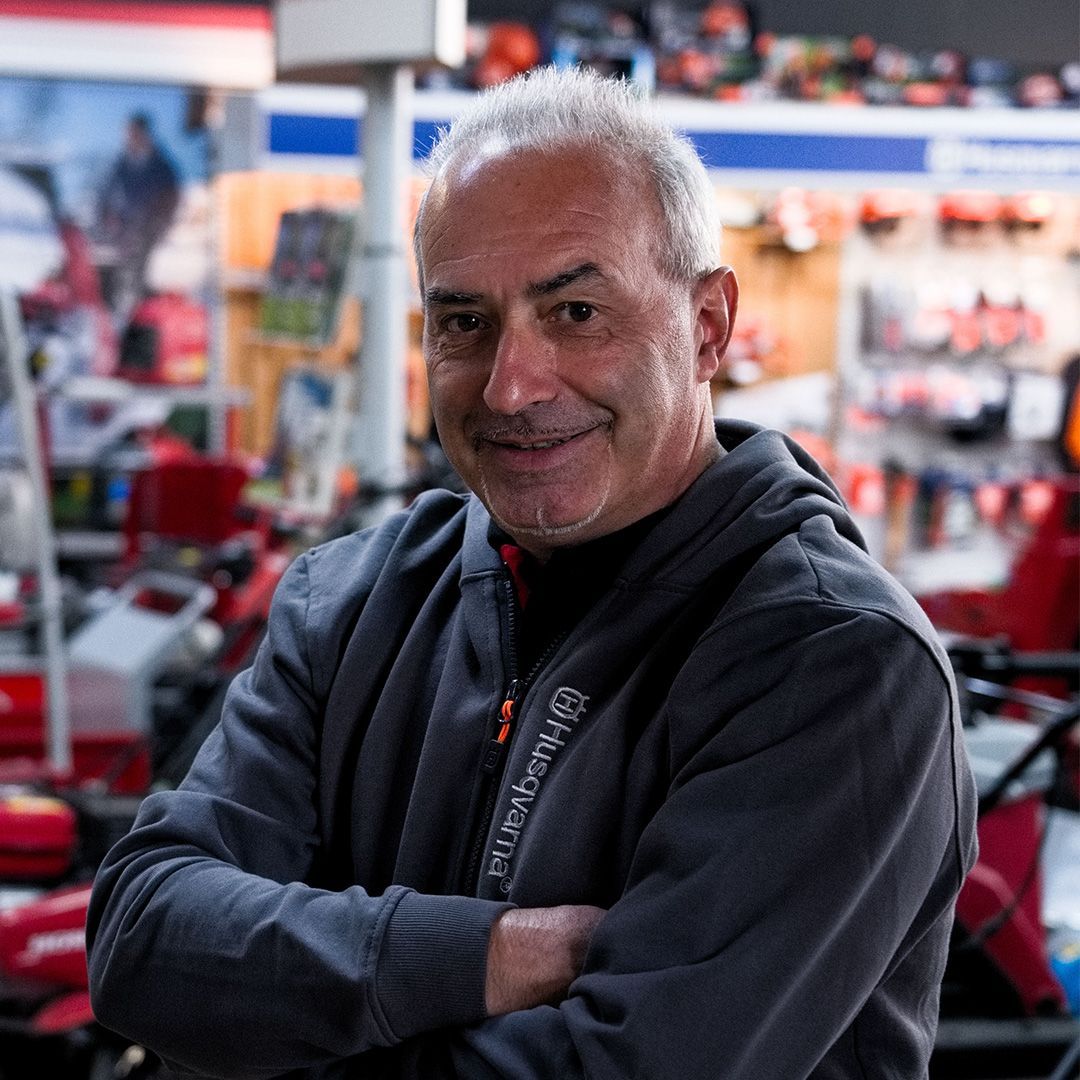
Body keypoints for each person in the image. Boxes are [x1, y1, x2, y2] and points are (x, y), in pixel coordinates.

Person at [87, 67, 978, 1079]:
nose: (511, 386)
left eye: (576, 311)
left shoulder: (836, 662)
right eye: (464, 322)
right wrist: (482, 956)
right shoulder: (350, 599)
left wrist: (272, 1023)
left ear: (708, 327)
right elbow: (142, 937)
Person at [96, 112, 180, 320]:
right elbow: (105, 193)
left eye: (133, 133)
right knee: (114, 274)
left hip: (149, 232)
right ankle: (117, 315)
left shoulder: (161, 166)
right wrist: (107, 217)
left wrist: (158, 225)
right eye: (127, 134)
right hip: (123, 231)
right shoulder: (121, 163)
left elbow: (171, 199)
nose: (129, 138)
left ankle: (139, 317)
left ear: (144, 133)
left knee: (141, 278)